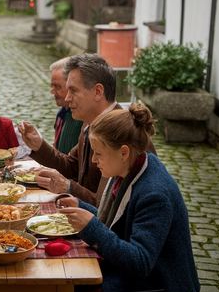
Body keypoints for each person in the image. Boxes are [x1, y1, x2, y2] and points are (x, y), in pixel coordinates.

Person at [56, 104, 200, 292]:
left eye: (98, 153)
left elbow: (140, 261)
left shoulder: (154, 194)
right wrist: (79, 205)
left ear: (123, 151)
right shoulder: (131, 166)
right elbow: (116, 221)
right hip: (145, 280)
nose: (94, 160)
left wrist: (91, 226)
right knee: (69, 289)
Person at [19, 53, 156, 206]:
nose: (67, 98)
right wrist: (39, 145)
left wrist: (69, 187)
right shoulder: (90, 123)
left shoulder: (120, 133)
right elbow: (71, 166)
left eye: (73, 90)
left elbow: (107, 207)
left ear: (98, 92)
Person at [50, 57, 83, 154]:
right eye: (52, 86)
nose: (52, 91)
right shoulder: (63, 112)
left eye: (57, 87)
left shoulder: (79, 118)